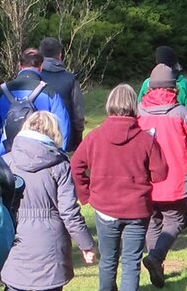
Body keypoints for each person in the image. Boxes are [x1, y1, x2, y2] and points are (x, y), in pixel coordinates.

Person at [71, 84, 169, 291]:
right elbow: (161, 173)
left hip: (105, 209)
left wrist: (86, 193)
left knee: (108, 261)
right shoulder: (146, 140)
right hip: (136, 209)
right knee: (131, 263)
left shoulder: (94, 137)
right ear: (134, 106)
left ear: (110, 105)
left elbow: (76, 165)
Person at [0, 111, 96, 291]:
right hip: (51, 246)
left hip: (15, 240)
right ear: (54, 133)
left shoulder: (5, 162)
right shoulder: (59, 165)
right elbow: (68, 212)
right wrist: (86, 244)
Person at [137, 64, 187, 288]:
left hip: (147, 178)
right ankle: (156, 258)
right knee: (177, 219)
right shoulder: (180, 113)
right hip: (175, 178)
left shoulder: (139, 112)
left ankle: (157, 267)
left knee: (153, 221)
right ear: (173, 87)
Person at [0, 48, 71, 155]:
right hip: (42, 154)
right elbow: (62, 126)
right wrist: (58, 153)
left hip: (9, 154)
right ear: (41, 67)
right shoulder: (50, 92)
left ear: (19, 66)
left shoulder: (2, 92)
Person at [38, 37, 85, 152]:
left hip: (36, 137)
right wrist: (78, 141)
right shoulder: (71, 79)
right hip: (65, 140)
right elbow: (78, 114)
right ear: (59, 55)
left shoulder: (35, 78)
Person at [137, 46, 187, 118]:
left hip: (150, 126)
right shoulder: (183, 84)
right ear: (175, 63)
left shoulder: (147, 83)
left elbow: (139, 108)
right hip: (176, 125)